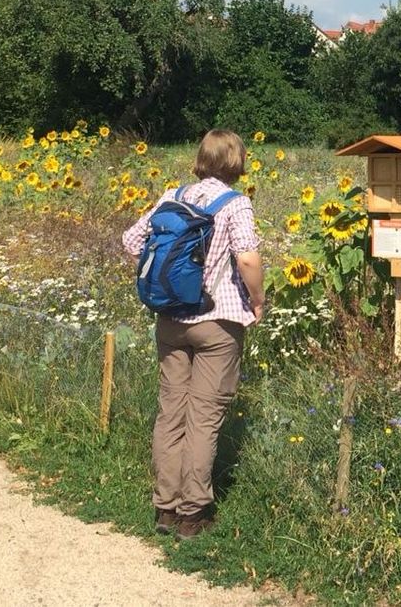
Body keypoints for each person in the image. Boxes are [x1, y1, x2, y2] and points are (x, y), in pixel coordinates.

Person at [122, 129, 264, 540]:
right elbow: (248, 259)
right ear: (237, 163)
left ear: (201, 158)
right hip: (216, 321)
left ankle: (164, 509)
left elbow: (132, 241)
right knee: (203, 417)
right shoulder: (236, 204)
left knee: (171, 413)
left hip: (170, 320)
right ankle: (194, 513)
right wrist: (258, 301)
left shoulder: (172, 195)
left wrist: (172, 281)